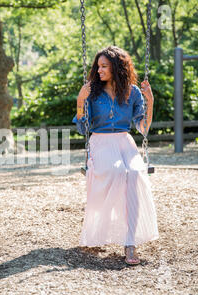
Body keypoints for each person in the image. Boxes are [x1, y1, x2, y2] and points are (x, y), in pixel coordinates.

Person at [73, 46, 158, 265]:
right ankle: (101, 230)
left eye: (104, 66)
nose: (99, 70)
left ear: (117, 68)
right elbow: (83, 129)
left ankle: (130, 242)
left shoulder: (132, 92)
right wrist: (80, 102)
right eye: (98, 66)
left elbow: (143, 128)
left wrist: (150, 103)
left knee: (136, 173)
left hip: (124, 142)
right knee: (118, 171)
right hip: (100, 141)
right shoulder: (92, 93)